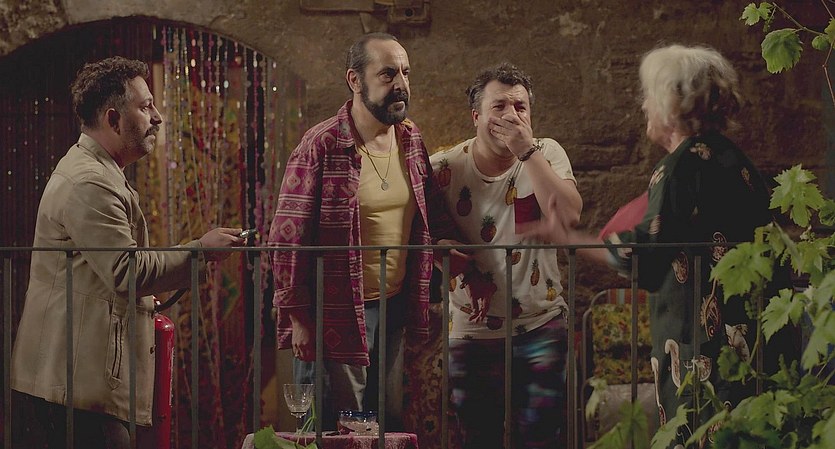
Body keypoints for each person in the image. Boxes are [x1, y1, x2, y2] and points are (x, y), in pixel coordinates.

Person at [522, 44, 791, 447]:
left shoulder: (680, 165)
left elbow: (644, 252)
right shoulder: (733, 158)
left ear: (671, 102)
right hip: (750, 341)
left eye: (649, 94)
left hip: (705, 347)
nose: (644, 105)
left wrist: (568, 239)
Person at [10, 56, 244, 449]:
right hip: (71, 385)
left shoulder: (98, 171)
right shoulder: (90, 181)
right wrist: (200, 251)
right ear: (114, 119)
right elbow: (126, 271)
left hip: (76, 381)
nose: (158, 117)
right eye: (146, 106)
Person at [268, 32, 467, 430]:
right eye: (388, 74)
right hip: (333, 311)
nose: (401, 84)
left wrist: (445, 245)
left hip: (393, 305)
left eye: (406, 73)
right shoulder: (322, 144)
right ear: (355, 80)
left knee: (382, 419)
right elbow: (287, 237)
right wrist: (298, 318)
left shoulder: (409, 138)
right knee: (335, 424)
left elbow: (430, 206)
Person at [429, 62, 582, 448]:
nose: (511, 115)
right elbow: (421, 235)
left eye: (520, 106)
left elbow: (569, 215)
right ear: (476, 116)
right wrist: (449, 259)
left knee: (542, 440)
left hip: (541, 325)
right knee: (477, 439)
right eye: (499, 106)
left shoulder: (545, 152)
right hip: (472, 331)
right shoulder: (444, 168)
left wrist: (526, 151)